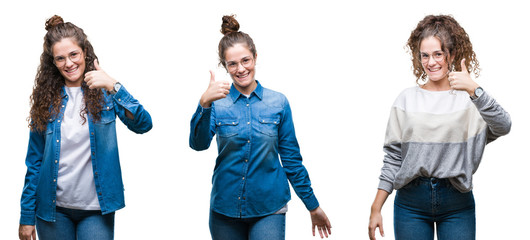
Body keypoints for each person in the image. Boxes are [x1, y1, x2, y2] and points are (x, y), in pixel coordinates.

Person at [368, 15, 511, 240]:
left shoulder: (470, 100)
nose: (431, 62)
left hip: (457, 203)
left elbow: (503, 125)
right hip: (410, 204)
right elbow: (394, 158)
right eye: (425, 55)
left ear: (452, 54)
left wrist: (475, 89)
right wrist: (376, 208)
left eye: (438, 54)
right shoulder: (406, 100)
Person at [189, 15, 331, 240]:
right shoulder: (216, 103)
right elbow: (198, 145)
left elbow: (292, 160)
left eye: (246, 60)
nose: (241, 69)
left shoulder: (279, 103)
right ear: (224, 66)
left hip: (269, 208)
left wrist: (312, 206)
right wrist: (203, 105)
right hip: (225, 209)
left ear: (255, 57)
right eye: (232, 64)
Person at [18, 15, 152, 240]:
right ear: (53, 62)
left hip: (96, 209)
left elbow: (143, 124)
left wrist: (113, 86)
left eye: (73, 55)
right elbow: (35, 162)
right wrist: (26, 216)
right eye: (60, 58)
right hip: (52, 211)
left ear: (85, 53)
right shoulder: (45, 100)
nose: (68, 64)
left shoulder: (105, 93)